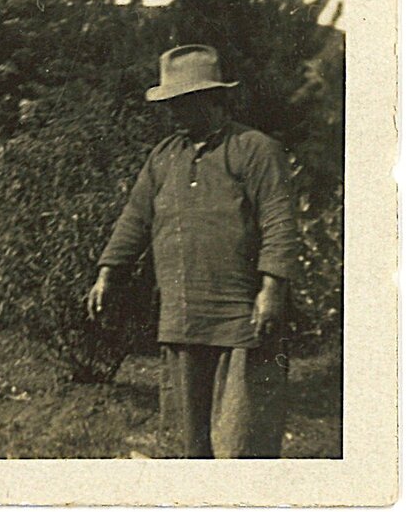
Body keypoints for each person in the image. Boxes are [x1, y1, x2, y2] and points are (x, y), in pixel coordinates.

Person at [87, 44, 300, 459]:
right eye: (170, 104)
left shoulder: (255, 150)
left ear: (211, 98)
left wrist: (272, 290)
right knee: (187, 445)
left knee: (241, 442)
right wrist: (108, 273)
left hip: (241, 318)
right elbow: (136, 217)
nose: (173, 113)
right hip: (183, 319)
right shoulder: (164, 157)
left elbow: (279, 221)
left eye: (182, 103)